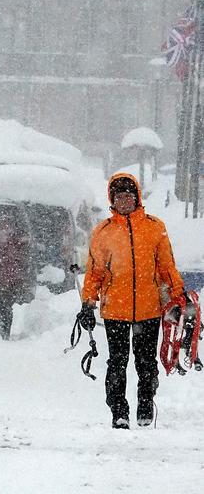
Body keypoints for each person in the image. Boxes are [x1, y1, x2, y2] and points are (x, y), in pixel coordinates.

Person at [79, 173, 184, 429]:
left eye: (128, 196)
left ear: (136, 197)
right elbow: (94, 272)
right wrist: (88, 303)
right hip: (115, 310)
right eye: (119, 197)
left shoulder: (154, 226)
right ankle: (119, 411)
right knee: (117, 362)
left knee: (146, 362)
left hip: (149, 309)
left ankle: (146, 405)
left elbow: (166, 266)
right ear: (112, 200)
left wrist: (178, 295)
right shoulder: (103, 232)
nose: (124, 200)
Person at [0, 215, 31, 340]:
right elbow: (22, 257)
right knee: (7, 306)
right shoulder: (16, 240)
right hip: (12, 279)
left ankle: (2, 327)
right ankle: (5, 329)